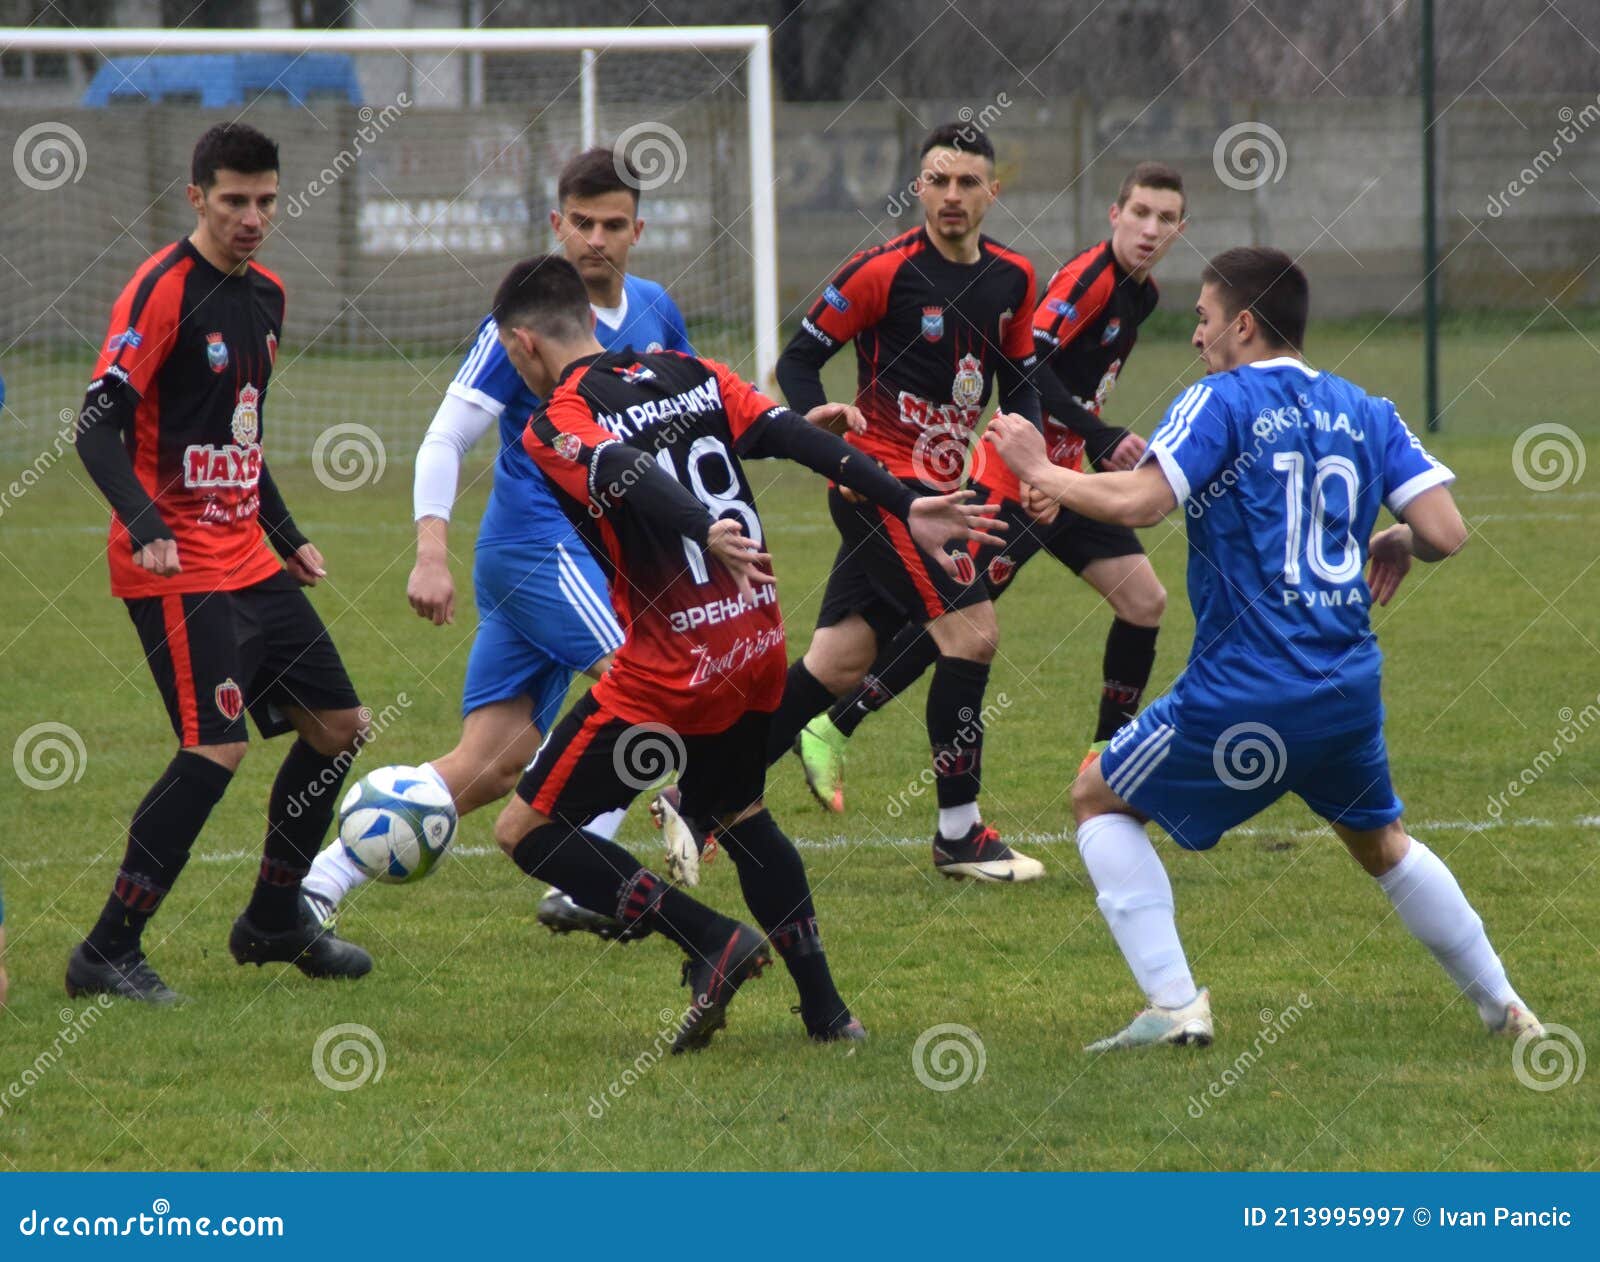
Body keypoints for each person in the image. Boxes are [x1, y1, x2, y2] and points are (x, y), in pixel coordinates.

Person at [986, 246, 1546, 1050]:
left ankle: (1177, 1007)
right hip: (1345, 690)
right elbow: (1447, 533)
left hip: (1244, 689)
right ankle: (1505, 1006)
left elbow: (1143, 502)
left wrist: (1043, 469)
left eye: (1206, 320)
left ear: (1242, 324)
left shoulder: (1218, 400)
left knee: (1095, 797)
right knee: (1381, 843)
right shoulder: (1366, 406)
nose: (1196, 338)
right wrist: (1395, 539)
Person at [489, 255, 1003, 1048]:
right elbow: (789, 432)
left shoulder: (553, 421)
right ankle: (829, 1014)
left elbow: (620, 467)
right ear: (590, 319)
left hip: (672, 674)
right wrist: (907, 502)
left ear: (523, 345)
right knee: (743, 813)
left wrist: (697, 527)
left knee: (527, 831)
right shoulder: (689, 369)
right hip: (758, 642)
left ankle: (710, 940)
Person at [300, 147, 696, 941]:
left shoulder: (655, 310)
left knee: (494, 761)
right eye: (580, 223)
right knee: (656, 684)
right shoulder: (523, 325)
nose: (594, 239)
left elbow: (683, 419)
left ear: (637, 231)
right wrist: (430, 551)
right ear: (557, 223)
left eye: (612, 225)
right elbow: (446, 438)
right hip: (539, 549)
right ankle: (589, 873)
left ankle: (316, 886)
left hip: (593, 560)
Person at [66, 123, 371, 1005]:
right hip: (175, 565)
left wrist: (286, 531)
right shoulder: (160, 291)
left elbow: (241, 435)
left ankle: (275, 918)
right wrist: (144, 520)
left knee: (339, 727)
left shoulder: (268, 295)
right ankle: (106, 949)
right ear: (196, 197)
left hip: (247, 558)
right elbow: (96, 426)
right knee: (215, 746)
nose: (252, 217)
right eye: (234, 201)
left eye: (266, 201)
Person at [797, 162, 1189, 812]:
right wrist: (1096, 434)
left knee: (1144, 602)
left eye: (1165, 219)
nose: (1150, 230)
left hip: (1064, 483)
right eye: (1139, 214)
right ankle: (834, 725)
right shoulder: (1088, 281)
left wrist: (1079, 451)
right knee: (954, 629)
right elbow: (1031, 371)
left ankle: (1106, 756)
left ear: (1181, 229)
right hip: (1015, 481)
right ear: (1115, 215)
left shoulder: (1140, 294)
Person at [761, 121, 1045, 883]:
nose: (951, 196)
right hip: (878, 490)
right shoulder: (881, 271)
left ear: (993, 191)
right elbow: (798, 360)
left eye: (967, 182)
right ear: (919, 187)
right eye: (937, 180)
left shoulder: (1014, 278)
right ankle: (960, 835)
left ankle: (700, 791)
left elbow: (1020, 388)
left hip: (944, 494)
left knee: (841, 662)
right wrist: (825, 429)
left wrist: (1039, 471)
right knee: (973, 633)